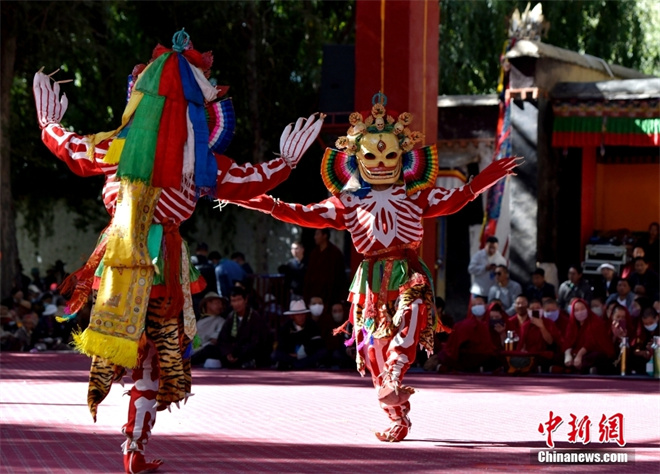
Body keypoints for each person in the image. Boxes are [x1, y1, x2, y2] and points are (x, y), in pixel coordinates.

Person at [32, 30, 324, 473]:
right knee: (154, 356)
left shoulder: (119, 147)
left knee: (128, 350)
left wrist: (48, 123)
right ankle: (134, 445)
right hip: (164, 261)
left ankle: (133, 443)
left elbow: (71, 149)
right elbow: (253, 178)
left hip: (120, 257)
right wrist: (285, 162)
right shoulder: (199, 159)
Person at [232, 96, 520, 441]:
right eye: (370, 155)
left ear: (404, 157)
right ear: (355, 159)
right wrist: (263, 202)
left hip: (405, 270)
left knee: (412, 308)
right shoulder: (349, 202)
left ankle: (398, 367)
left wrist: (479, 183)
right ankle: (397, 414)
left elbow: (457, 199)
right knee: (371, 351)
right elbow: (303, 213)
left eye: (389, 155)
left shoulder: (416, 197)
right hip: (368, 281)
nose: (381, 163)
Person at [434, 296, 501, 373]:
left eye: (479, 304)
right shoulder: (464, 324)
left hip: (483, 355)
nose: (477, 307)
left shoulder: (493, 321)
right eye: (474, 305)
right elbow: (453, 347)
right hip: (466, 355)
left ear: (485, 306)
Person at [216, 287, 271, 369]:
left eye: (239, 300)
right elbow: (223, 339)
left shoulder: (255, 317)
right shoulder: (230, 317)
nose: (236, 304)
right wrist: (228, 353)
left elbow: (256, 341)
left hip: (250, 354)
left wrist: (239, 354)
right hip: (234, 352)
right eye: (233, 301)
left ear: (245, 300)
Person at [504, 295, 561, 373]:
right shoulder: (525, 325)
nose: (535, 310)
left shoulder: (548, 323)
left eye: (537, 308)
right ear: (528, 311)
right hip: (530, 355)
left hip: (543, 354)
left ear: (542, 309)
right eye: (532, 309)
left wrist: (542, 327)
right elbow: (521, 344)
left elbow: (550, 342)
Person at [562, 298, 615, 374]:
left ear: (587, 309)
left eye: (582, 309)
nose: (580, 312)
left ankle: (578, 369)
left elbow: (591, 342)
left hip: (592, 351)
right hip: (575, 353)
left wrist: (579, 355)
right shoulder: (572, 324)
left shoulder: (596, 322)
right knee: (558, 356)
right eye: (576, 310)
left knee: (596, 357)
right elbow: (568, 341)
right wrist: (567, 355)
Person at [272, 300, 326, 370]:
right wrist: (292, 354)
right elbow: (282, 345)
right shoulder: (285, 327)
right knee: (276, 354)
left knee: (322, 352)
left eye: (303, 314)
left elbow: (317, 343)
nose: (301, 317)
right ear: (292, 316)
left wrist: (303, 353)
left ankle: (294, 365)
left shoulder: (312, 325)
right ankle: (297, 365)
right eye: (298, 314)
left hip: (307, 355)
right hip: (291, 355)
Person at [304, 229, 348, 308]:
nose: (315, 237)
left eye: (317, 234)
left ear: (325, 236)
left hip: (330, 294)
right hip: (315, 294)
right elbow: (309, 275)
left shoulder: (335, 253)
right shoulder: (314, 253)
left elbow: (340, 277)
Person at [190, 292, 227, 366]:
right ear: (208, 304)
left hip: (206, 351)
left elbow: (214, 340)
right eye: (217, 303)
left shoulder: (221, 321)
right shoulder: (198, 321)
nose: (220, 306)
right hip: (194, 350)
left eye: (221, 304)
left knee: (210, 349)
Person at [632, 307, 659, 375]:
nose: (649, 326)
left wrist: (655, 348)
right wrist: (643, 352)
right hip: (644, 363)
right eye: (646, 324)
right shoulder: (640, 331)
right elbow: (635, 349)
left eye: (651, 323)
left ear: (657, 318)